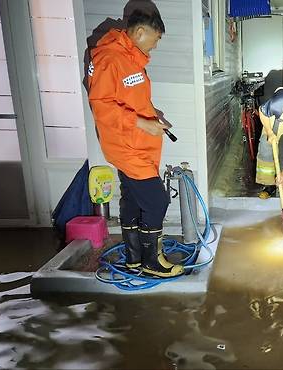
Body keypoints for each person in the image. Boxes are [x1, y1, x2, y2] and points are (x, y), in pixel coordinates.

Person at [87, 8, 178, 278]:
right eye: (156, 38)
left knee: (133, 201)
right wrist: (142, 123)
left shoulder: (130, 58)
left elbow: (131, 97)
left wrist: (154, 115)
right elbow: (101, 106)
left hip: (137, 143)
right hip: (127, 145)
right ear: (140, 32)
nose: (156, 44)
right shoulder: (110, 59)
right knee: (156, 202)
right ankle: (153, 262)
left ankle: (134, 259)